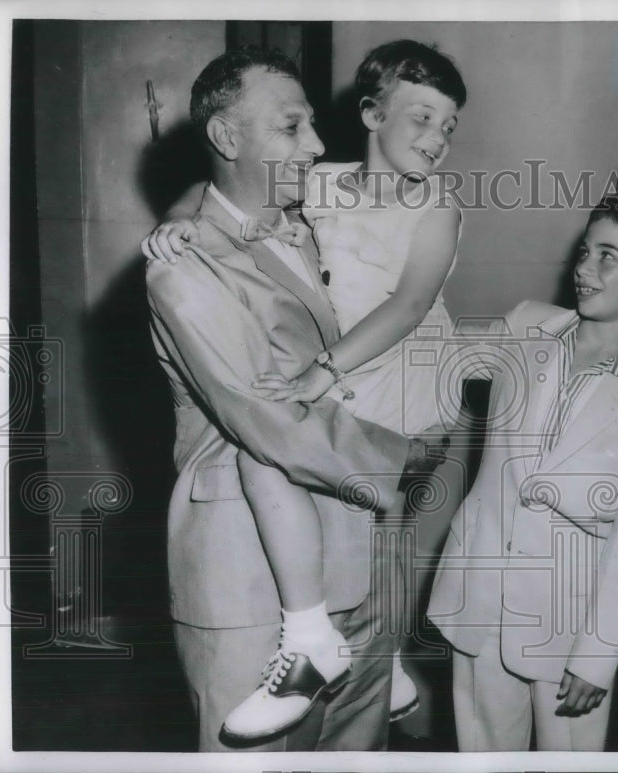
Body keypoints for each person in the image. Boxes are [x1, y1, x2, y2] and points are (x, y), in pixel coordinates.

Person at [144, 40, 466, 739]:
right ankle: (315, 635)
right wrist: (405, 461)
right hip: (257, 580)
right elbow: (267, 420)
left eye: (313, 125)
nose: (318, 145)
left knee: (358, 748)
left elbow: (403, 305)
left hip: (362, 557)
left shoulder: (306, 222)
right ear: (227, 136)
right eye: (292, 126)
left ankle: (389, 660)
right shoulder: (187, 264)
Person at [426, 198, 618, 751]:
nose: (584, 268)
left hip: (568, 632)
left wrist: (597, 657)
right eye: (585, 251)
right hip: (479, 601)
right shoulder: (525, 324)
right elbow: (436, 367)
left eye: (608, 256)